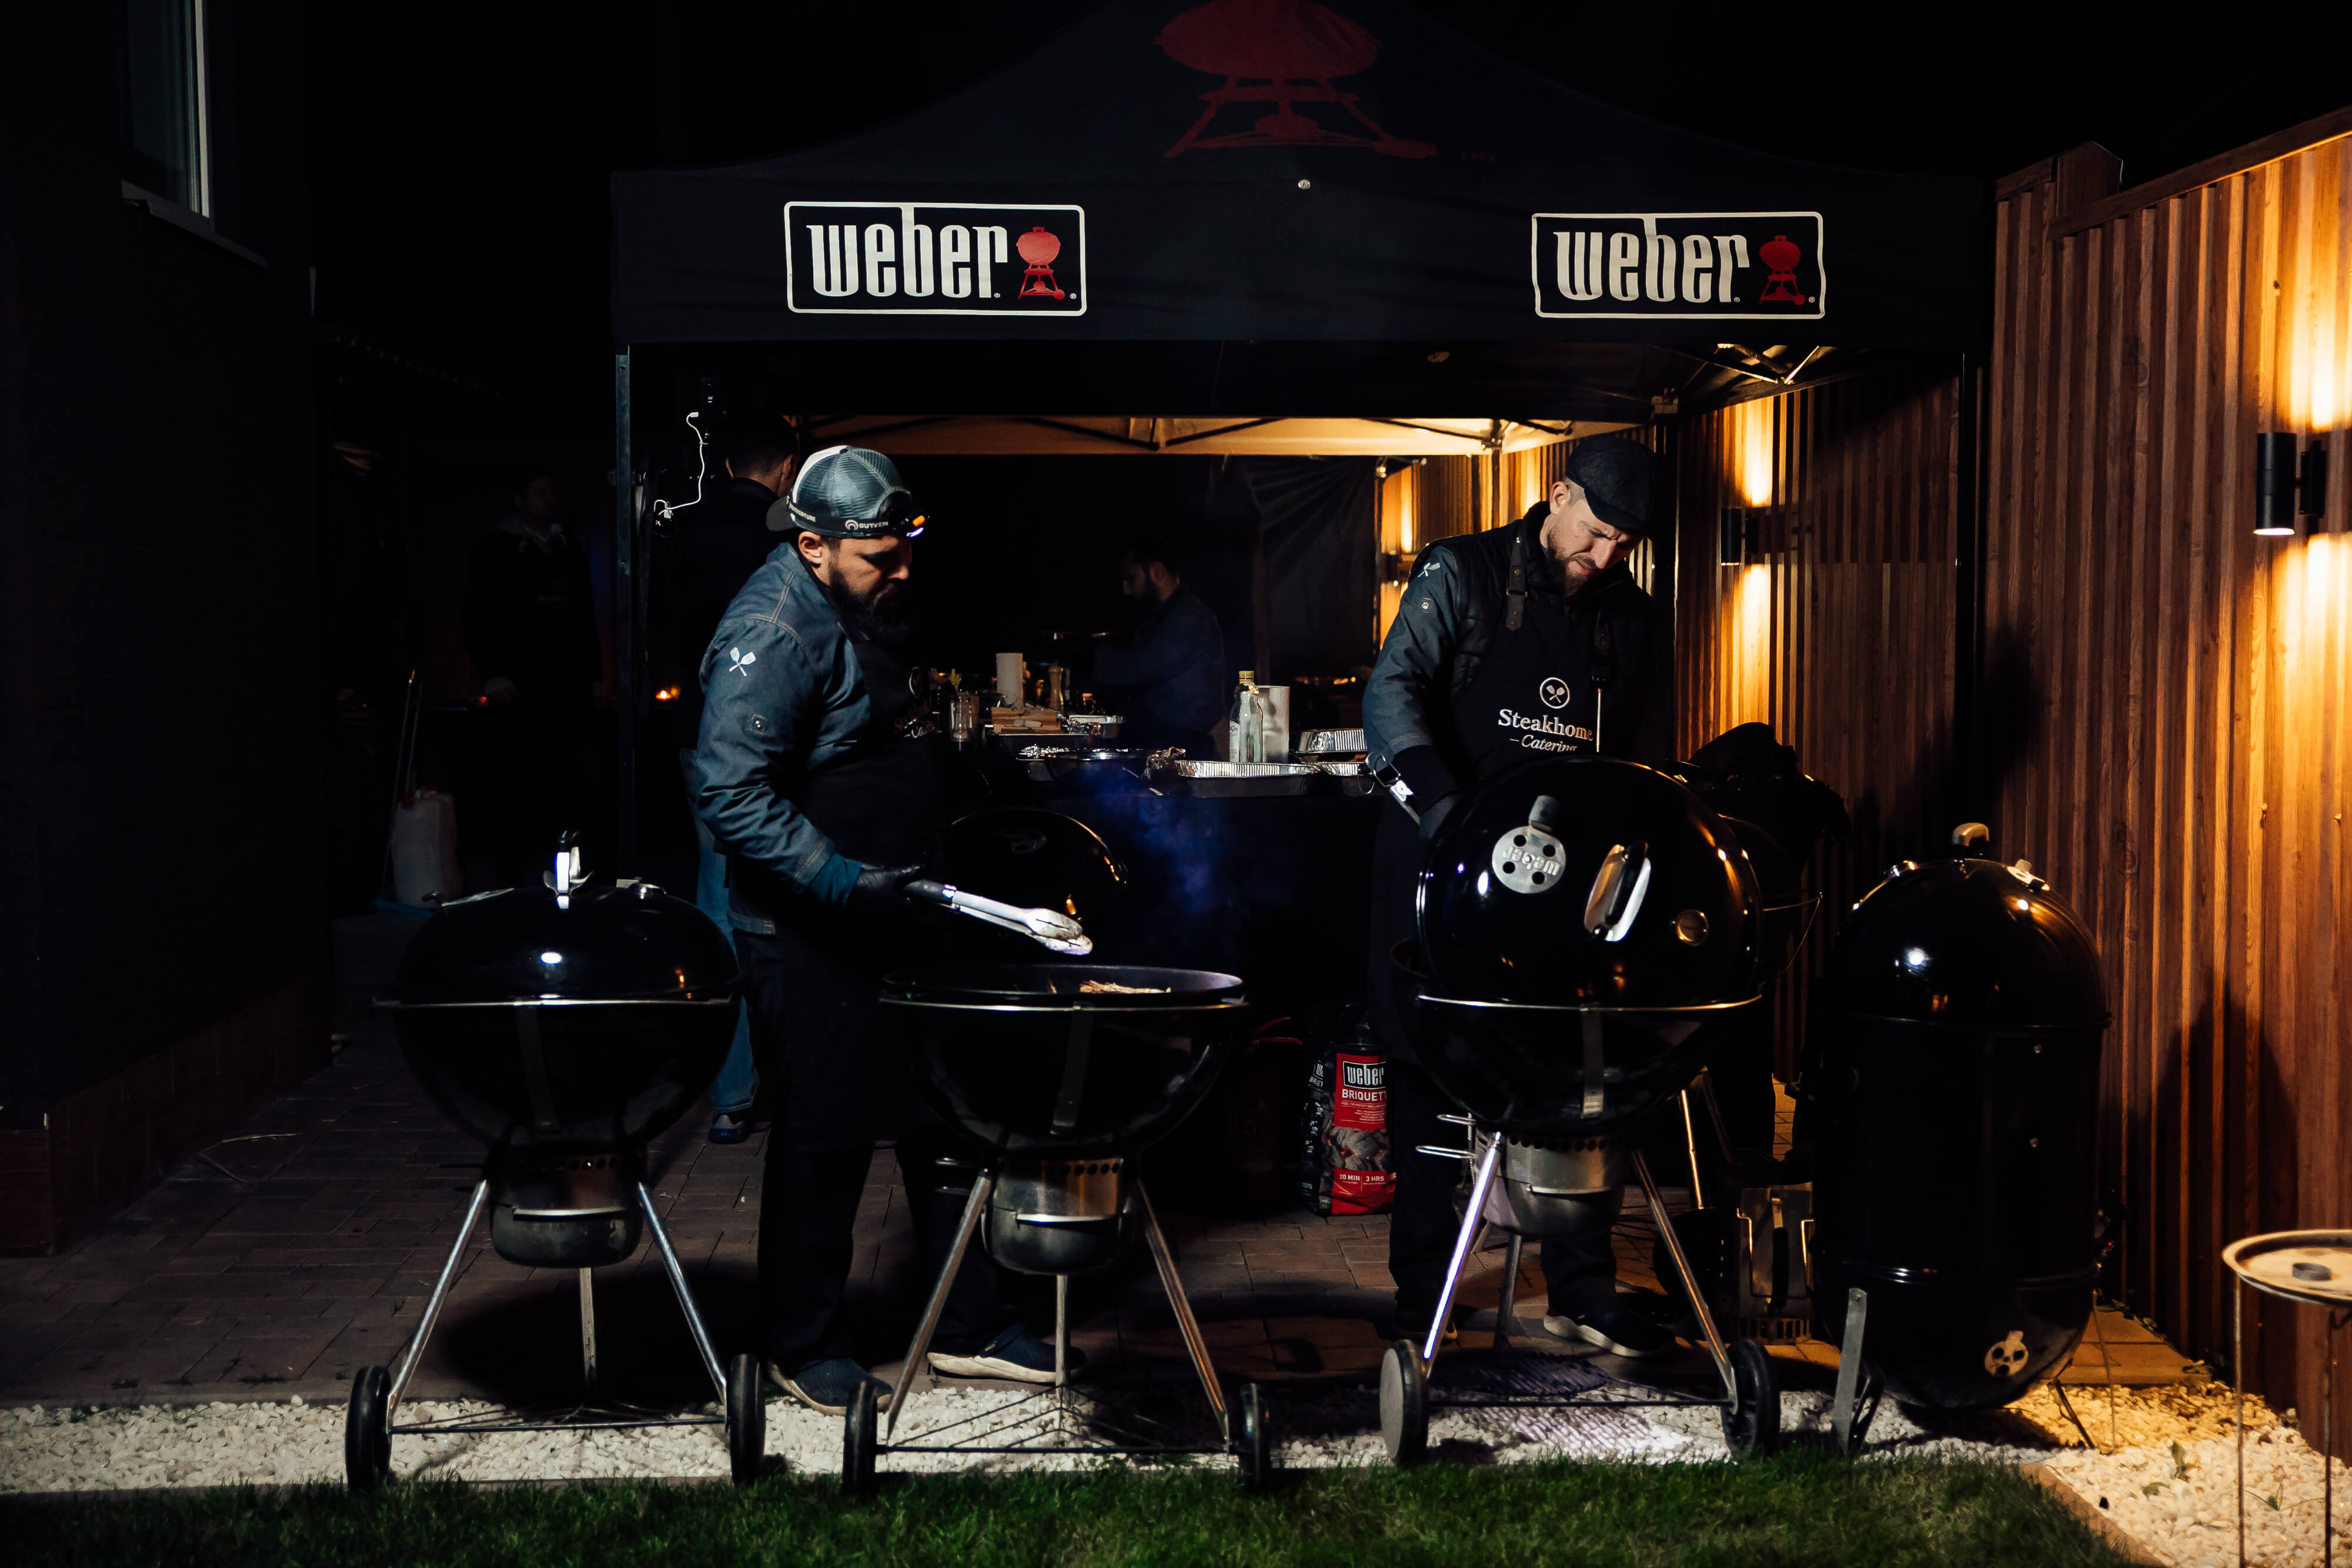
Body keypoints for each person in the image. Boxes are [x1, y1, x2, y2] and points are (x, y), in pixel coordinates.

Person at [693, 446, 1071, 1413]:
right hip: (811, 924)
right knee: (825, 1134)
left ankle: (968, 1321)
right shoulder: (772, 628)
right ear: (812, 544)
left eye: (907, 546)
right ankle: (801, 1341)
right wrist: (840, 876)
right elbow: (729, 792)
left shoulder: (856, 603)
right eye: (879, 555)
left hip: (896, 910)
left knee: (943, 1115)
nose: (902, 567)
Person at [1361, 437, 1674, 1359]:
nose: (1604, 557)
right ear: (1558, 493)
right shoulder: (1459, 573)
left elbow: (1636, 759)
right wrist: (1448, 816)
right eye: (1596, 532)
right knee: (1430, 1073)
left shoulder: (1629, 617)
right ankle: (1425, 1291)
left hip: (1562, 891)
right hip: (1441, 861)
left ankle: (1583, 1289)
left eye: (1624, 544)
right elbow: (1392, 695)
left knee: (1579, 1075)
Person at [657, 431, 798, 1143]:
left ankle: (730, 1096)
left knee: (716, 901)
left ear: (724, 464)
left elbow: (661, 634)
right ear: (786, 469)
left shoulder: (682, 532)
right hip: (778, 735)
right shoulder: (788, 534)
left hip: (699, 729)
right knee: (793, 895)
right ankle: (798, 1082)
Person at [463, 469, 602, 889]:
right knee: (517, 786)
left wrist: (594, 675)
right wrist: (492, 674)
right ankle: (509, 882)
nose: (550, 499)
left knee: (578, 785)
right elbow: (477, 614)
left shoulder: (568, 547)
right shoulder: (493, 547)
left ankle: (580, 877)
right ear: (520, 499)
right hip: (519, 687)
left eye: (552, 492)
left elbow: (585, 616)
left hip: (568, 687)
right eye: (541, 493)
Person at [1091, 536, 1225, 754]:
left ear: (1156, 572)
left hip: (1183, 753)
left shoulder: (1190, 617)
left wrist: (1088, 656)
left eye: (1131, 579)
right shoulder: (1161, 616)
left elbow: (1142, 667)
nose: (1126, 590)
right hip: (1161, 746)